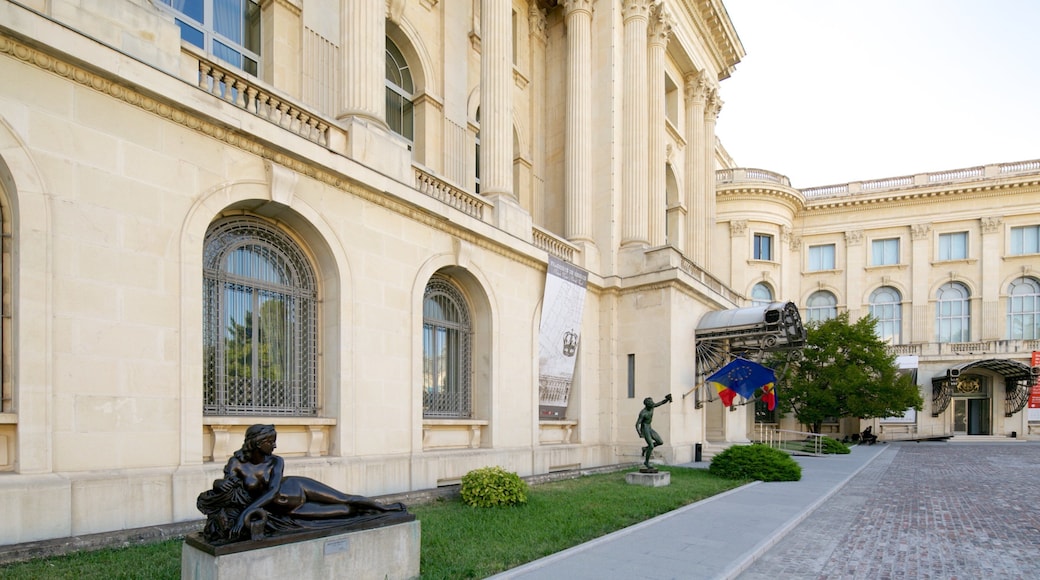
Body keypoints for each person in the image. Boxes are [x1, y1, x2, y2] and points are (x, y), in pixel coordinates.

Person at [198, 424, 405, 542]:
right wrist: (218, 484)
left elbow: (271, 492)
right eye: (271, 441)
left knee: (345, 498)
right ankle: (371, 515)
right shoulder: (237, 464)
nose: (275, 445)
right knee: (343, 511)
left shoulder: (276, 461)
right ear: (257, 443)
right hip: (291, 510)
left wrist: (244, 514)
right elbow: (224, 488)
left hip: (299, 488)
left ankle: (386, 508)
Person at [635, 394, 673, 470]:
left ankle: (645, 449)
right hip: (645, 429)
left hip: (649, 427)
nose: (652, 404)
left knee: (660, 442)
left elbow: (660, 403)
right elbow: (637, 424)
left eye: (652, 403)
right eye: (651, 404)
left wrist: (667, 399)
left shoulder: (652, 407)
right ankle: (646, 462)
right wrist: (639, 433)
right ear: (647, 405)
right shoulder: (643, 413)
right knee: (651, 446)